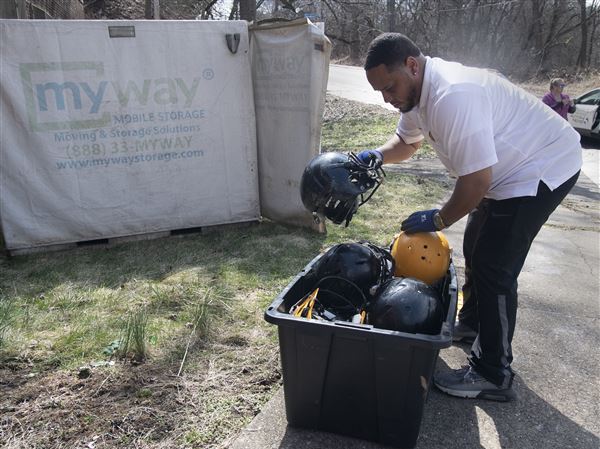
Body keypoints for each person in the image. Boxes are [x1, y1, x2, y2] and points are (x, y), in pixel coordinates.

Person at [358, 33, 582, 402]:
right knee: (475, 244)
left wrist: (439, 219)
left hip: (544, 166)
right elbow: (408, 144)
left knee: (495, 265)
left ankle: (493, 372)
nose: (387, 97)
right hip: (507, 170)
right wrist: (376, 156)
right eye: (380, 91)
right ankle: (474, 323)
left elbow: (476, 181)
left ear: (412, 66)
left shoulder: (452, 95)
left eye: (390, 86)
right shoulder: (414, 95)